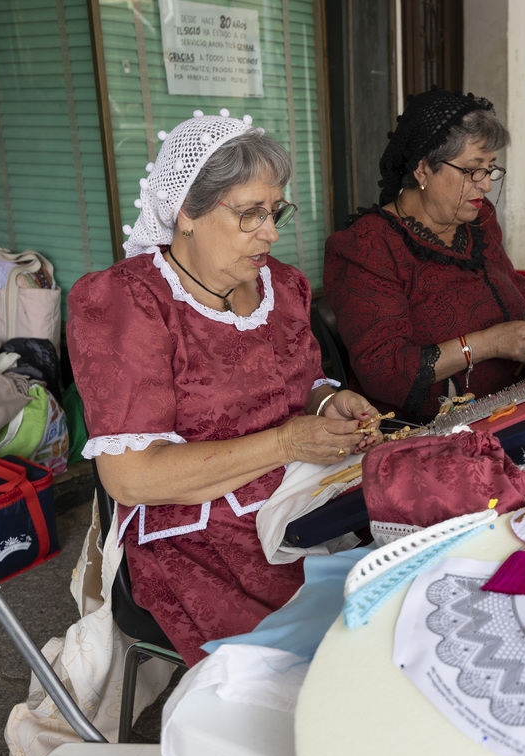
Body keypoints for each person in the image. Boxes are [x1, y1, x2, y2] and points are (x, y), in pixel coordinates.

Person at [67, 113, 381, 665]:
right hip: (195, 535)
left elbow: (303, 382)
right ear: (187, 212)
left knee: (400, 571)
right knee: (339, 649)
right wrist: (286, 444)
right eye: (250, 214)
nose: (272, 232)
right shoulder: (130, 303)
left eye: (275, 210)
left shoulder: (279, 286)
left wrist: (329, 402)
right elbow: (132, 477)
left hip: (301, 498)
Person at [324, 89, 525, 423]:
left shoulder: (478, 219)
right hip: (437, 431)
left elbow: (517, 290)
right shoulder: (368, 245)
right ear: (422, 169)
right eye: (472, 170)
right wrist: (490, 343)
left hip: (518, 401)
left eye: (490, 169)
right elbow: (384, 370)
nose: (485, 185)